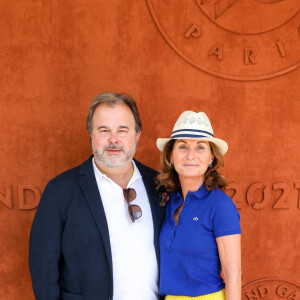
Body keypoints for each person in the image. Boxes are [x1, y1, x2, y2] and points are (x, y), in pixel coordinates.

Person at [29, 92, 165, 300]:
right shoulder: (60, 191)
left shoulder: (159, 185)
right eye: (104, 130)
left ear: (137, 135)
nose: (113, 139)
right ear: (91, 134)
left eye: (122, 130)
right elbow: (43, 269)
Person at [156, 111, 241, 300]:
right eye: (183, 146)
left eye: (200, 147)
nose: (191, 155)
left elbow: (233, 275)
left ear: (211, 158)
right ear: (171, 155)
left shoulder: (220, 205)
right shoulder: (167, 201)